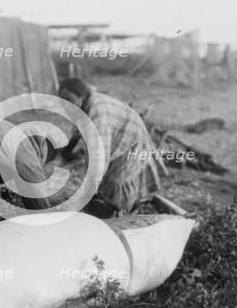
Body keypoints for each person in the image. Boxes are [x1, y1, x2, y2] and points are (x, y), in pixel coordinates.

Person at [56, 77, 163, 217]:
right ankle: (107, 209)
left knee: (117, 180)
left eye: (69, 99)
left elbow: (100, 155)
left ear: (81, 95)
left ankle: (121, 214)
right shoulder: (79, 108)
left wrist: (89, 190)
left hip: (132, 138)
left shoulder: (98, 113)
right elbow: (77, 131)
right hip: (116, 134)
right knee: (102, 180)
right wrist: (66, 151)